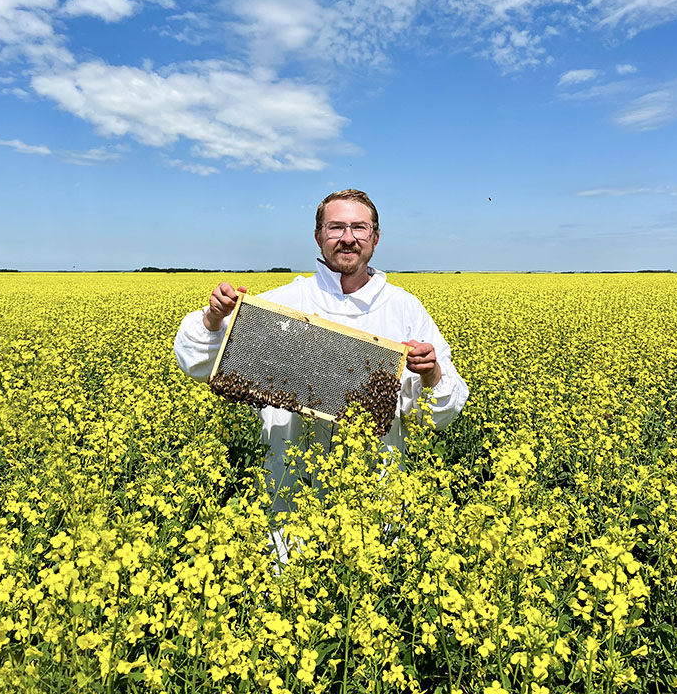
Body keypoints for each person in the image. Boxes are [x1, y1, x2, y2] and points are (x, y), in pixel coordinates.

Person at [174, 189, 469, 512]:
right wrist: (214, 318)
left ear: (376, 237)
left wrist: (431, 371)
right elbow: (200, 364)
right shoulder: (284, 302)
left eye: (359, 227)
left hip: (373, 506)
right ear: (318, 236)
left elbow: (441, 414)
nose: (348, 238)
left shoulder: (405, 309)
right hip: (289, 496)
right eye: (335, 227)